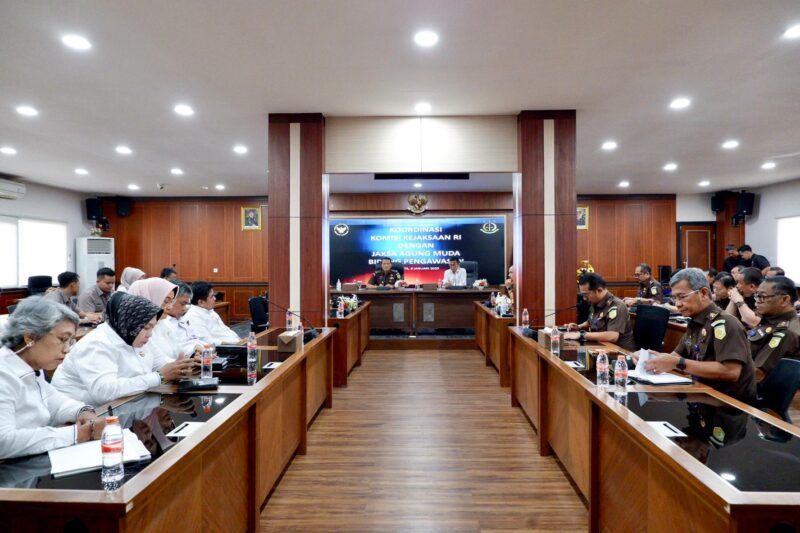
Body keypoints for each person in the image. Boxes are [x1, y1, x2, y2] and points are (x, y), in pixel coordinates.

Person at [0, 297, 103, 459]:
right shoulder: (3, 374)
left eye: (71, 341)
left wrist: (83, 411)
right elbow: (3, 441)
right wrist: (74, 434)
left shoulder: (32, 369)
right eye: (62, 340)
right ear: (30, 337)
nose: (67, 349)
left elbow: (56, 404)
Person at [52, 293, 196, 405]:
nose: (150, 333)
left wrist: (182, 367)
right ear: (128, 323)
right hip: (79, 415)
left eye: (152, 327)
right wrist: (160, 377)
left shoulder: (133, 336)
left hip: (123, 405)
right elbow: (105, 391)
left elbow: (162, 364)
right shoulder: (97, 344)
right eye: (146, 327)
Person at [641, 268, 756, 404]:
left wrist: (677, 363)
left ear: (703, 293)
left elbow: (731, 371)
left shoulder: (725, 323)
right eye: (674, 298)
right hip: (701, 396)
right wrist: (650, 360)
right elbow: (675, 357)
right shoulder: (696, 321)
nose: (677, 304)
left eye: (682, 297)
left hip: (729, 405)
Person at [563, 272, 635, 350]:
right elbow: (592, 321)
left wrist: (582, 334)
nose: (584, 298)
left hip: (619, 353)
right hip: (600, 348)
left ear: (599, 290)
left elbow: (612, 336)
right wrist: (579, 326)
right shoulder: (595, 302)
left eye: (586, 295)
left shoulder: (617, 306)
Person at [748, 276, 800, 384]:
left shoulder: (785, 332)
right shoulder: (770, 321)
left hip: (753, 395)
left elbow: (758, 374)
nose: (757, 301)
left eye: (762, 296)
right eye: (756, 296)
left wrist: (726, 371)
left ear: (784, 300)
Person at [149, 281, 203, 361]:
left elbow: (177, 349)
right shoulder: (161, 322)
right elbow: (158, 362)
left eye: (172, 302)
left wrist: (194, 352)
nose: (169, 307)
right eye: (166, 302)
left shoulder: (162, 323)